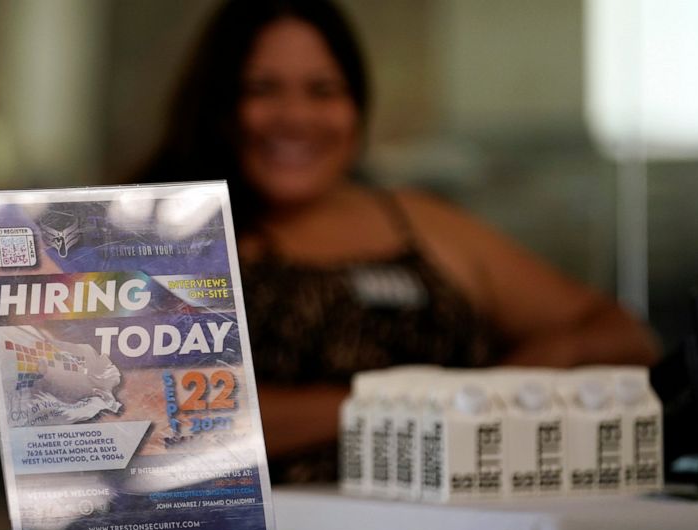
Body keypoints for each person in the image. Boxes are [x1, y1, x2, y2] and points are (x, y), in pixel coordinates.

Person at [135, 0, 659, 481]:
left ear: (357, 106)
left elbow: (626, 336)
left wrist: (525, 371)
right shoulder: (157, 233)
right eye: (262, 89)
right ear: (218, 105)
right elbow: (145, 419)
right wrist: (413, 405)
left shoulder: (419, 221)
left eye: (323, 91)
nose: (296, 116)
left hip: (461, 528)